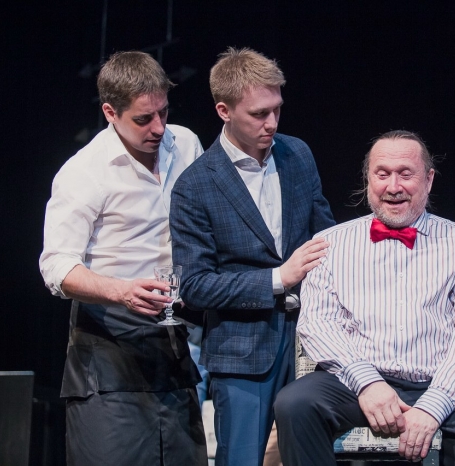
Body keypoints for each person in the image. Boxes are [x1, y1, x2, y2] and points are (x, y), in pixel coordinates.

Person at [274, 130, 455, 466]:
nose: (393, 186)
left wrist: (433, 407)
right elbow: (318, 324)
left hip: (438, 384)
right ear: (368, 179)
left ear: (428, 180)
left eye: (405, 174)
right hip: (354, 382)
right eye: (382, 174)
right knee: (294, 404)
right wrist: (367, 383)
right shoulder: (330, 244)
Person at [39, 51, 207, 466]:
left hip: (173, 344)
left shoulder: (185, 144)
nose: (159, 127)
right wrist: (122, 291)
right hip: (108, 347)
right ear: (110, 113)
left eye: (163, 112)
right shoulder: (85, 171)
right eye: (143, 119)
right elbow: (56, 265)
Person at [169, 47, 335, 466]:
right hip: (242, 352)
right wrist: (279, 278)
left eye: (277, 109)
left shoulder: (297, 154)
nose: (272, 123)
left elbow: (325, 237)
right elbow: (195, 285)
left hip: (312, 341)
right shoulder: (195, 186)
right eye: (259, 114)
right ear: (224, 111)